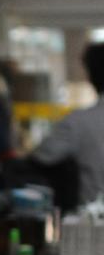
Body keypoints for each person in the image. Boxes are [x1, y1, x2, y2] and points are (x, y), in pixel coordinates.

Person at [32, 42, 104, 205]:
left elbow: (43, 155)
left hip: (93, 222)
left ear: (91, 75)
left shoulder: (79, 121)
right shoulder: (80, 121)